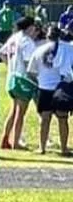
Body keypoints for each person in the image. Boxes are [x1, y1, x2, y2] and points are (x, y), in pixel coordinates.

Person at [32, 23, 73, 156]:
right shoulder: (68, 49)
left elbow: (31, 71)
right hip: (62, 88)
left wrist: (41, 78)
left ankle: (42, 147)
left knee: (45, 120)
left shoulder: (39, 50)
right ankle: (64, 148)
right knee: (63, 119)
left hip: (44, 88)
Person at [0, 16, 40, 151]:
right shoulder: (27, 41)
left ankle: (5, 139)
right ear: (29, 27)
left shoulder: (14, 37)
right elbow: (30, 63)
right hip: (23, 79)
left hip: (12, 77)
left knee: (13, 110)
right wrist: (36, 78)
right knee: (20, 113)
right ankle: (15, 142)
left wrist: (10, 67)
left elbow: (2, 53)